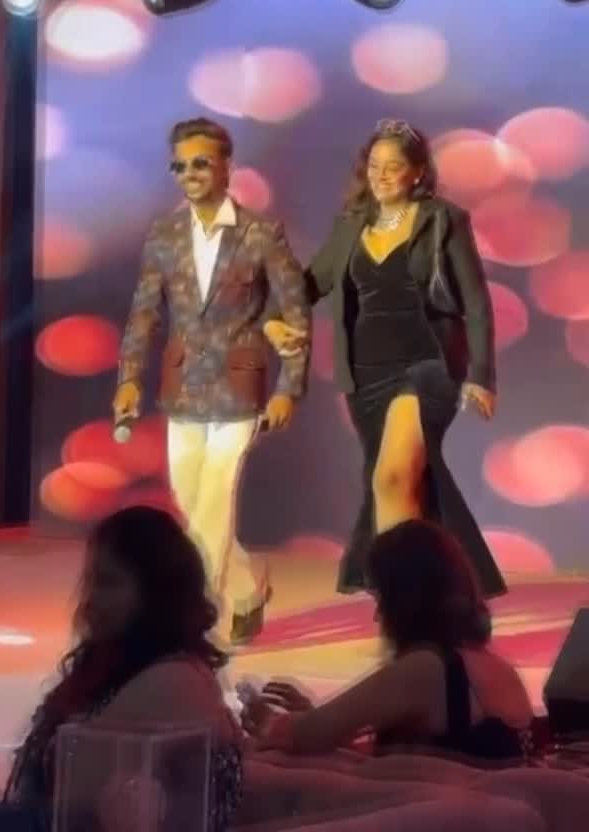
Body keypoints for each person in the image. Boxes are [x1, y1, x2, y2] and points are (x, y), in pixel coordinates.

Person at [264, 118, 504, 598]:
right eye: (374, 166)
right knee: (408, 482)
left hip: (429, 364)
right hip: (365, 374)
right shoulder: (351, 224)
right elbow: (310, 284)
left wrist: (481, 375)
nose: (382, 175)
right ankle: (438, 588)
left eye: (394, 166)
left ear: (417, 172)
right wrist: (273, 319)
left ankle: (402, 597)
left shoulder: (443, 220)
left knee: (392, 478)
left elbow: (476, 302)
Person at [113, 118, 310, 644]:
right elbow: (144, 314)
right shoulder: (164, 235)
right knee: (192, 501)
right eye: (180, 166)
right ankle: (248, 588)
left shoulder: (260, 232)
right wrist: (129, 378)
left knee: (215, 498)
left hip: (239, 388)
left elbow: (295, 312)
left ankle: (189, 619)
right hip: (182, 387)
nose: (190, 174)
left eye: (200, 162)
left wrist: (289, 388)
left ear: (227, 166)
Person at [0, 507, 243, 832]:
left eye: (108, 583)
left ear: (156, 594)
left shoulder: (175, 680)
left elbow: (75, 789)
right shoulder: (124, 666)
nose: (90, 600)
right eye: (91, 581)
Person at [243, 520, 533, 762]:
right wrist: (317, 721)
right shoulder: (499, 668)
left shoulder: (427, 667)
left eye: (381, 598)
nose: (377, 615)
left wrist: (266, 719)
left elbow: (304, 734)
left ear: (405, 600)